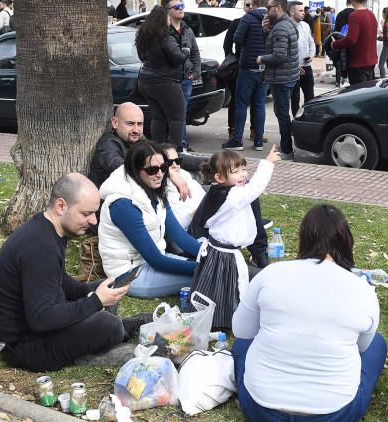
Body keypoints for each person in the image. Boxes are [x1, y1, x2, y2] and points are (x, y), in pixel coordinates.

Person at [231, 204, 386, 422]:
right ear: (346, 241)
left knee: (242, 344)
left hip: (260, 408)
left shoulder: (271, 274)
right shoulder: (362, 289)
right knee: (378, 343)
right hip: (333, 415)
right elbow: (362, 347)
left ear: (303, 238)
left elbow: (241, 330)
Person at [0, 174, 151, 371]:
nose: (93, 221)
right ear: (61, 206)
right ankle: (114, 334)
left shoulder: (48, 228)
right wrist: (95, 302)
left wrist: (90, 293)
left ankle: (114, 329)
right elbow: (41, 318)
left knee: (98, 287)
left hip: (36, 326)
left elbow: (58, 280)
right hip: (24, 347)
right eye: (86, 214)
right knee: (108, 325)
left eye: (94, 213)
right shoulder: (41, 247)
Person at [187, 147, 279, 329]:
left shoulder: (217, 191)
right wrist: (268, 163)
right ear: (219, 177)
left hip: (214, 250)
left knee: (211, 285)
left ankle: (210, 317)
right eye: (235, 172)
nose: (242, 175)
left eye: (244, 169)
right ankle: (224, 319)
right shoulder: (233, 195)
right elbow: (256, 187)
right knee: (227, 286)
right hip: (225, 254)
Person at [98, 141, 202, 297]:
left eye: (163, 167)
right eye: (152, 169)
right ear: (135, 170)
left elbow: (179, 235)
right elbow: (156, 260)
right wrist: (205, 267)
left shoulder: (154, 188)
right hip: (130, 274)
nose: (160, 174)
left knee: (220, 269)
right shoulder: (123, 204)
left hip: (155, 260)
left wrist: (211, 255)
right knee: (209, 277)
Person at [135, 5, 188, 146]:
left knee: (157, 118)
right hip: (166, 83)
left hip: (146, 81)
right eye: (167, 18)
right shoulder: (165, 38)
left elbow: (141, 57)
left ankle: (158, 148)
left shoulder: (143, 38)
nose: (169, 20)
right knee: (177, 118)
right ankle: (175, 151)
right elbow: (178, 58)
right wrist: (186, 51)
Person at [226, 0, 270, 151]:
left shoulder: (248, 18)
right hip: (265, 67)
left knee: (241, 104)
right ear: (267, 2)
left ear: (254, 3)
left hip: (247, 67)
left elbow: (237, 39)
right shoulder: (272, 19)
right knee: (259, 105)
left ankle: (237, 140)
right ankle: (258, 141)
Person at [257, 0, 299, 159]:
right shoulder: (287, 24)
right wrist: (266, 31)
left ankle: (287, 150)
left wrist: (262, 59)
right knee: (283, 113)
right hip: (288, 75)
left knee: (282, 114)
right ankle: (287, 147)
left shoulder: (281, 27)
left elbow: (279, 55)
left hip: (282, 77)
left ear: (279, 7)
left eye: (269, 7)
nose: (266, 11)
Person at [165, 0, 201, 152]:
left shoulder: (187, 30)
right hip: (170, 79)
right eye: (177, 7)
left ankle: (182, 144)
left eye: (182, 6)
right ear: (168, 12)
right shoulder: (164, 31)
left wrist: (195, 72)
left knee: (182, 112)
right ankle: (176, 145)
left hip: (186, 79)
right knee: (173, 114)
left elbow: (195, 53)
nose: (181, 9)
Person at [332, 0, 378, 85]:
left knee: (359, 96)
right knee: (368, 94)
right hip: (371, 62)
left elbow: (351, 39)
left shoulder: (354, 16)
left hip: (358, 63)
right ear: (366, 1)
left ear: (353, 0)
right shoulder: (372, 15)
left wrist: (335, 44)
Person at [161, 143, 205, 229]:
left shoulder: (186, 176)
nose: (175, 165)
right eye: (169, 162)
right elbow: (173, 229)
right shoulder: (160, 188)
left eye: (177, 161)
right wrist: (193, 216)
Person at [291, 1, 316, 117]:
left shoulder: (305, 25)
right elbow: (285, 49)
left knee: (310, 98)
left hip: (307, 67)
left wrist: (311, 55)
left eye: (303, 10)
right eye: (300, 11)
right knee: (295, 99)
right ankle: (297, 123)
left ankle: (308, 121)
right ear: (292, 12)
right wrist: (294, 64)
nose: (303, 13)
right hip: (293, 68)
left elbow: (311, 42)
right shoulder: (287, 27)